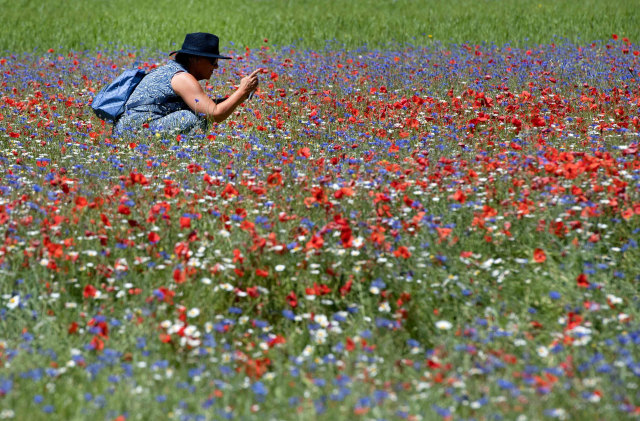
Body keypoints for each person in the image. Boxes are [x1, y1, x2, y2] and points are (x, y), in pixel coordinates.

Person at [114, 32, 260, 136]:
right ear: (194, 59)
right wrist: (241, 91)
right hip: (134, 132)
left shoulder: (173, 71)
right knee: (194, 118)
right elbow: (214, 114)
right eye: (212, 61)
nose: (216, 66)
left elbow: (209, 108)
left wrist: (243, 94)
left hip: (129, 129)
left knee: (197, 113)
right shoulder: (182, 77)